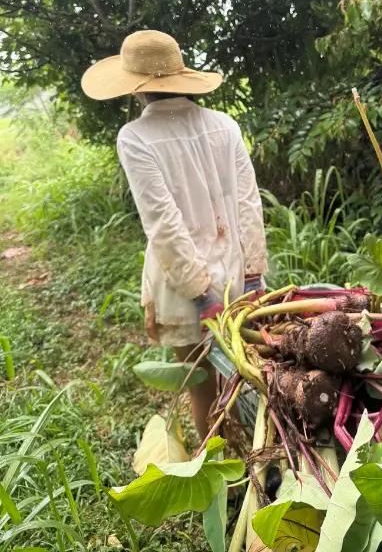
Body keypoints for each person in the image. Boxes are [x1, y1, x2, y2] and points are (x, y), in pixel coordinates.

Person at [81, 29, 268, 437]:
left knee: (202, 388)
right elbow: (249, 203)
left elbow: (163, 220)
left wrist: (203, 295)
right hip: (237, 278)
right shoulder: (224, 125)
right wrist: (253, 278)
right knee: (240, 380)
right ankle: (251, 469)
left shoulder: (136, 137)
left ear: (136, 90)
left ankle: (227, 481)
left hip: (188, 291)